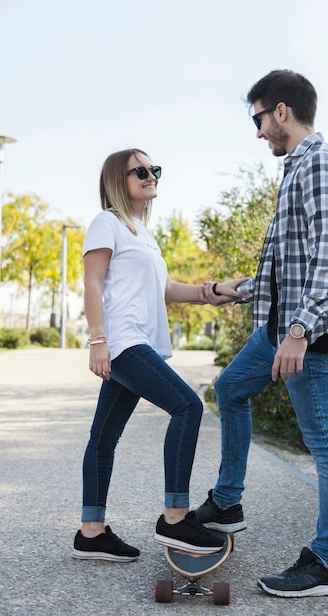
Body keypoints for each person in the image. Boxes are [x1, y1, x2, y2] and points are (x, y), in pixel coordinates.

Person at [195, 70, 328, 597]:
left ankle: (327, 563)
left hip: (303, 332)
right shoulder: (295, 169)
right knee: (230, 388)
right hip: (281, 324)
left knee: (325, 444)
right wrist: (238, 289)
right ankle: (228, 502)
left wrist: (299, 331)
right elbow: (291, 258)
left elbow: (327, 258)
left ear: (281, 111)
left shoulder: (322, 163)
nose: (258, 130)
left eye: (259, 118)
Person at [72, 148, 243, 563]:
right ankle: (175, 516)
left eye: (155, 170)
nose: (151, 176)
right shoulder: (106, 222)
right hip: (123, 342)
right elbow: (92, 283)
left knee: (103, 437)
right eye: (141, 171)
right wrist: (98, 340)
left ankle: (91, 533)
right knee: (188, 406)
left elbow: (168, 290)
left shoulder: (143, 234)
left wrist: (213, 292)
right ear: (118, 178)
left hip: (136, 342)